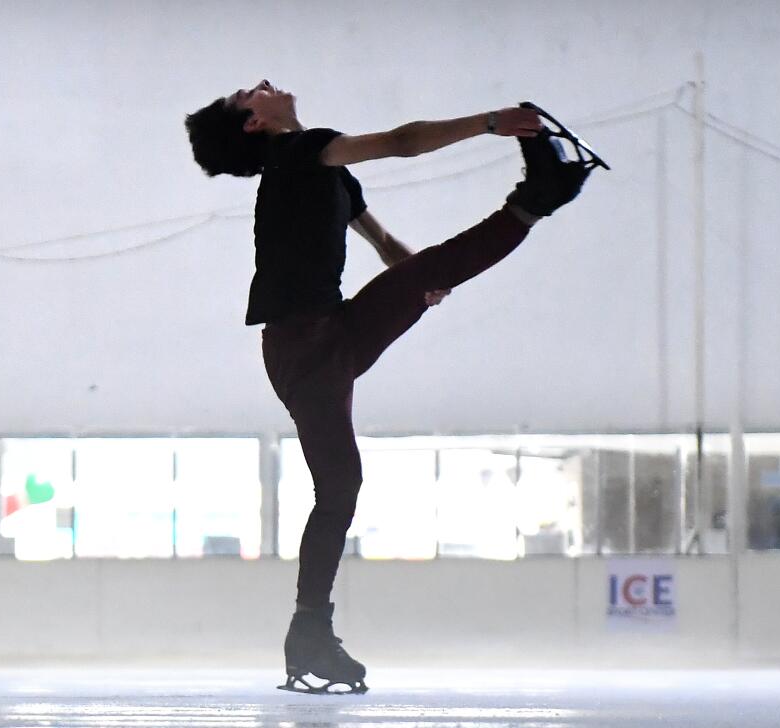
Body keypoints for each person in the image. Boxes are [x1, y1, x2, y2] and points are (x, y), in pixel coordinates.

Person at [185, 81, 598, 692]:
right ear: (254, 123)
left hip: (333, 331)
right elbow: (402, 143)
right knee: (340, 484)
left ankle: (536, 199)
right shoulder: (300, 152)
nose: (265, 84)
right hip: (302, 348)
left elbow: (382, 243)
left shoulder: (326, 171)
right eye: (251, 92)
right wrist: (488, 121)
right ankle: (309, 632)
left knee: (343, 478)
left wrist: (418, 286)